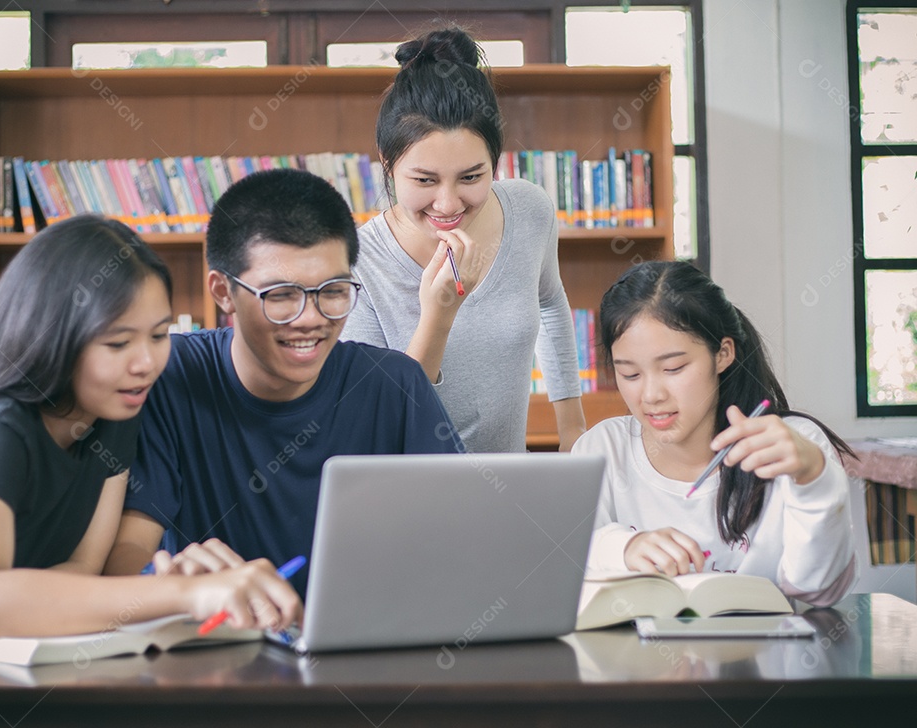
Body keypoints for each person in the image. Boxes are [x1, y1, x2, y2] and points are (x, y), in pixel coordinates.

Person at [0, 216, 301, 727]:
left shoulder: (115, 414)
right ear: (53, 335)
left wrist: (168, 585)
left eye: (159, 334)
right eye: (117, 343)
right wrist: (185, 593)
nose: (146, 363)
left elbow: (82, 570)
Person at [105, 169, 464, 588]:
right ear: (223, 292)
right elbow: (129, 549)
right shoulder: (169, 375)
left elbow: (457, 540)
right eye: (281, 296)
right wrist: (168, 579)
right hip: (219, 641)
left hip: (365, 641)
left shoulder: (395, 384)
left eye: (332, 291)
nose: (310, 319)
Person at [339, 25, 587, 454]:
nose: (447, 204)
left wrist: (573, 427)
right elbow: (384, 416)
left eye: (472, 177)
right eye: (424, 180)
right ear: (386, 162)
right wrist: (438, 317)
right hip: (406, 502)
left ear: (496, 160)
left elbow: (549, 300)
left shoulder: (529, 211)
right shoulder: (357, 263)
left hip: (509, 493)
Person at [572, 260, 856, 606]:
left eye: (673, 368)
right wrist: (623, 547)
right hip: (633, 657)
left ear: (722, 355)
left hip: (763, 658)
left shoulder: (792, 445)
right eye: (630, 375)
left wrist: (815, 480)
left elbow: (819, 590)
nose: (650, 396)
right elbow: (565, 561)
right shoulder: (602, 448)